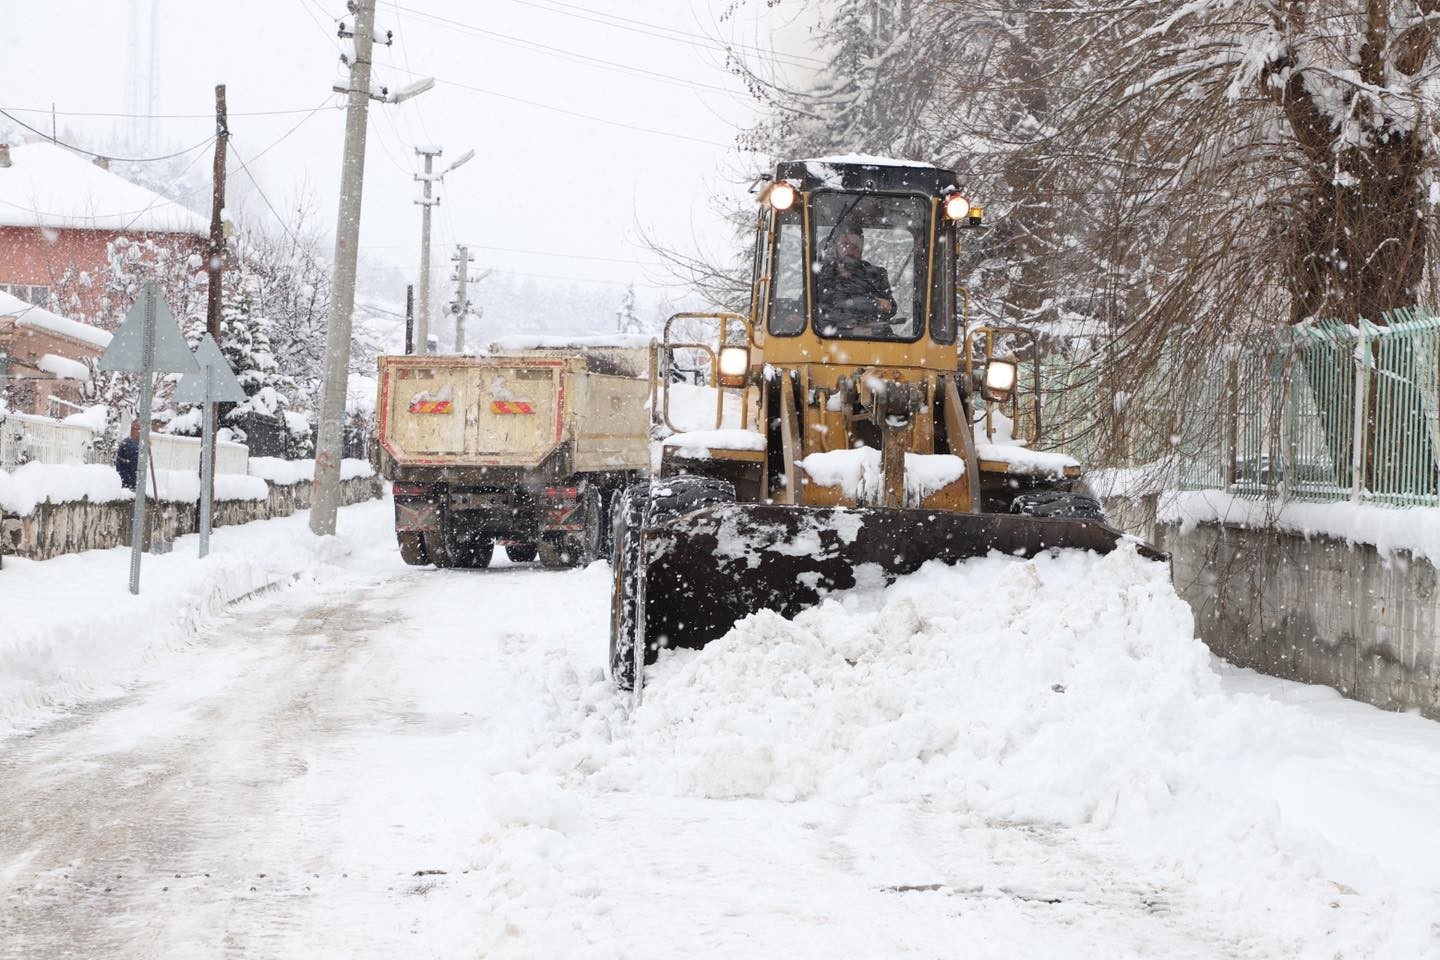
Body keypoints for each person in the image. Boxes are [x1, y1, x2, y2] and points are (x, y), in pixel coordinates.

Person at [814, 227, 896, 332]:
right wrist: (849, 332)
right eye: (846, 244)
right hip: (827, 342)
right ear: (835, 247)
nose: (851, 250)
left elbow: (891, 309)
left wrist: (884, 306)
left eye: (856, 246)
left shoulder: (875, 275)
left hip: (876, 340)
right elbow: (813, 316)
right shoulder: (820, 277)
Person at [115, 419, 140, 490]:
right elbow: (134, 464)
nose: (140, 432)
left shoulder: (138, 444)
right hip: (127, 484)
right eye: (138, 429)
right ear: (132, 429)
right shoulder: (129, 443)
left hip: (133, 483)